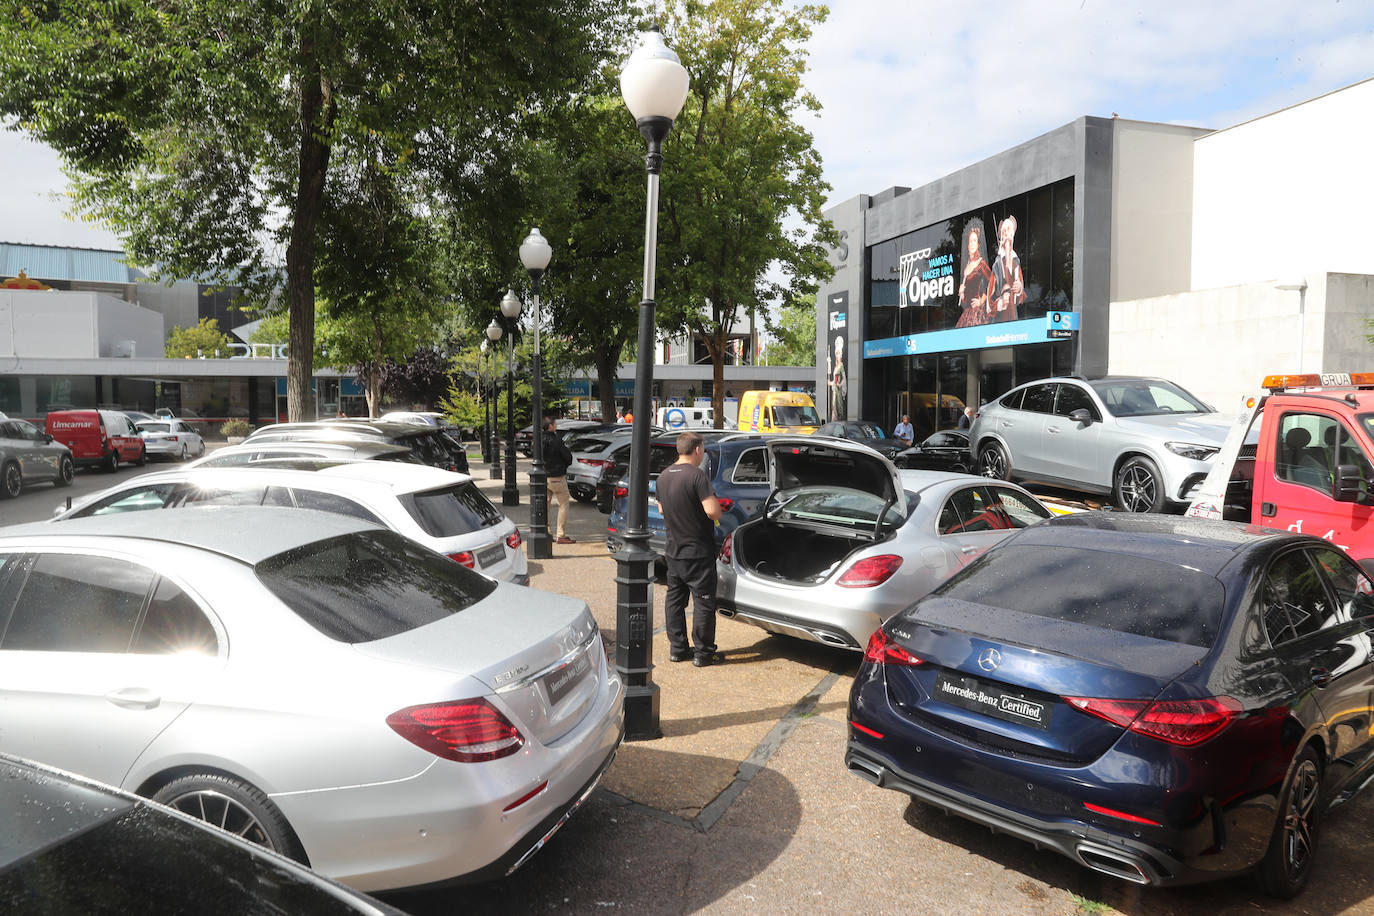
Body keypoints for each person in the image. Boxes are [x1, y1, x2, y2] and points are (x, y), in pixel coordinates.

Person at [656, 431, 724, 667]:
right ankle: (703, 653)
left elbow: (662, 510)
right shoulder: (697, 476)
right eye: (703, 448)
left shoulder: (663, 476)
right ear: (697, 449)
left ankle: (677, 649)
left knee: (675, 600)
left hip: (673, 549)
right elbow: (712, 511)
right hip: (698, 551)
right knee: (703, 602)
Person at [541, 417, 575, 545]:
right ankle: (561, 534)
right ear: (550, 426)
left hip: (543, 477)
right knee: (564, 504)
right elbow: (567, 457)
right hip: (557, 476)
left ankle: (548, 531)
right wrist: (564, 466)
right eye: (555, 424)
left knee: (546, 505)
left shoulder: (539, 440)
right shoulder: (556, 440)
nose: (556, 425)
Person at [954, 221, 994, 328]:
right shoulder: (966, 267)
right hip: (967, 313)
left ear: (978, 244)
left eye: (974, 241)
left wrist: (982, 300)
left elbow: (993, 281)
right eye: (970, 241)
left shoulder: (981, 263)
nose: (972, 243)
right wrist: (962, 294)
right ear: (967, 245)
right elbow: (966, 299)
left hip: (977, 313)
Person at [990, 216, 1026, 322]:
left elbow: (1022, 296)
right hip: (1000, 320)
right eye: (1004, 232)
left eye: (1009, 231)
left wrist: (1019, 289)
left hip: (1013, 316)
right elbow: (990, 297)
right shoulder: (997, 264)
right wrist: (1000, 302)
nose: (1007, 235)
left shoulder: (1016, 261)